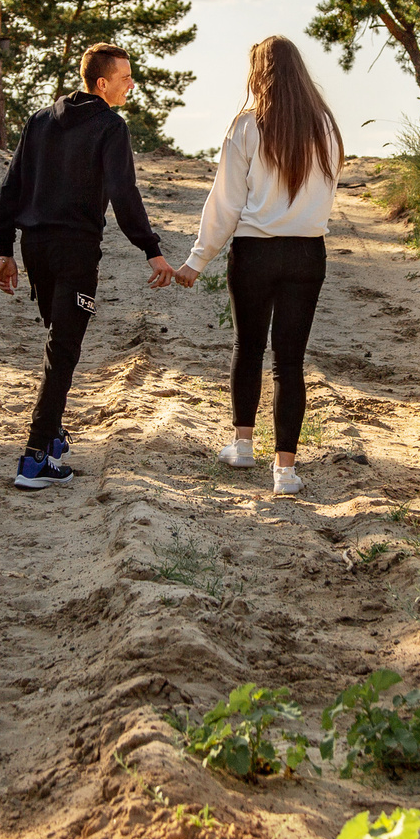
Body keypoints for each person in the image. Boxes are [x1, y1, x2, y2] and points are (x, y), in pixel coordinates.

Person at [0, 43, 175, 490]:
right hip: (74, 250)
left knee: (59, 341)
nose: (132, 84)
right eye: (126, 77)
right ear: (101, 83)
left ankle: (52, 435)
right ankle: (34, 459)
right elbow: (123, 191)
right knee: (64, 350)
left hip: (36, 249)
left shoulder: (39, 120)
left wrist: (5, 248)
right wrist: (150, 248)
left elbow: (11, 186)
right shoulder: (110, 126)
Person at [173, 36, 342, 497]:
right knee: (291, 362)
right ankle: (285, 472)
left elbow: (225, 202)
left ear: (259, 72)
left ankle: (243, 445)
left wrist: (196, 260)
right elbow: (325, 194)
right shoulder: (325, 126)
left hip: (255, 253)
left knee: (247, 349)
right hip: (307, 253)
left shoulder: (246, 126)